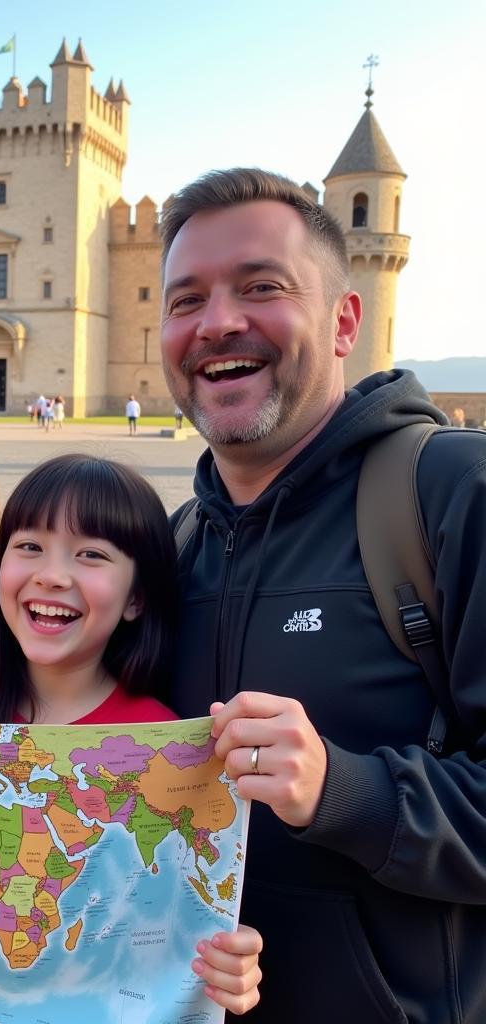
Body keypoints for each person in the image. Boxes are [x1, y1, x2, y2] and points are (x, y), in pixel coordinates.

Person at [160, 167, 486, 1022]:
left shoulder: (452, 494)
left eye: (261, 286)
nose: (218, 321)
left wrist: (345, 791)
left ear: (346, 320)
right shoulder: (173, 544)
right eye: (184, 299)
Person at [0, 454, 263, 1020]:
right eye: (29, 546)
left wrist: (229, 968)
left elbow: (187, 932)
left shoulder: (172, 755)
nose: (52, 574)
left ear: (136, 598)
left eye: (91, 555)